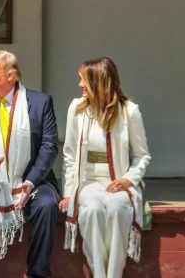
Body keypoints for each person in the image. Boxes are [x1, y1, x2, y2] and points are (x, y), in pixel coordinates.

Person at [0, 50, 60, 278]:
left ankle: (37, 272)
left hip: (33, 177)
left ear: (11, 75)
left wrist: (31, 181)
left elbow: (49, 146)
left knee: (46, 205)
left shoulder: (40, 102)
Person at [59, 57, 151, 278]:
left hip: (118, 182)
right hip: (88, 181)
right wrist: (69, 192)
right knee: (91, 210)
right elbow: (70, 155)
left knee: (118, 209)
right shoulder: (77, 109)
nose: (80, 85)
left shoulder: (129, 111)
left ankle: (113, 274)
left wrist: (129, 180)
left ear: (99, 81)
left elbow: (142, 155)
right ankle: (99, 273)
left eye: (84, 80)